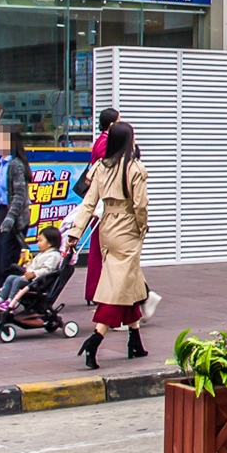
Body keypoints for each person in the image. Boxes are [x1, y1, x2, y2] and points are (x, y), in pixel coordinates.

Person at [65, 119, 152, 367]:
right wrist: (142, 228)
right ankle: (95, 338)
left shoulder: (100, 168)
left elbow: (88, 204)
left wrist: (75, 232)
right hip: (127, 228)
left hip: (106, 226)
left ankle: (135, 339)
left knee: (130, 279)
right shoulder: (135, 168)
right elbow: (141, 205)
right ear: (128, 141)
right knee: (118, 285)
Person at [0, 121, 31, 298]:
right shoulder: (1, 164)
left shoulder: (15, 165)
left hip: (14, 218)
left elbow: (19, 196)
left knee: (6, 263)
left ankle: (10, 299)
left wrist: (10, 218)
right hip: (2, 214)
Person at [0, 226, 65, 306]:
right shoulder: (41, 254)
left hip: (39, 282)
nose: (38, 243)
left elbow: (47, 270)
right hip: (31, 280)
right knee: (11, 277)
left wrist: (34, 274)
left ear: (50, 243)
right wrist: (27, 263)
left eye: (40, 241)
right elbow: (32, 267)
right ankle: (0, 298)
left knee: (17, 281)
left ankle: (11, 301)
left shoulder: (53, 256)